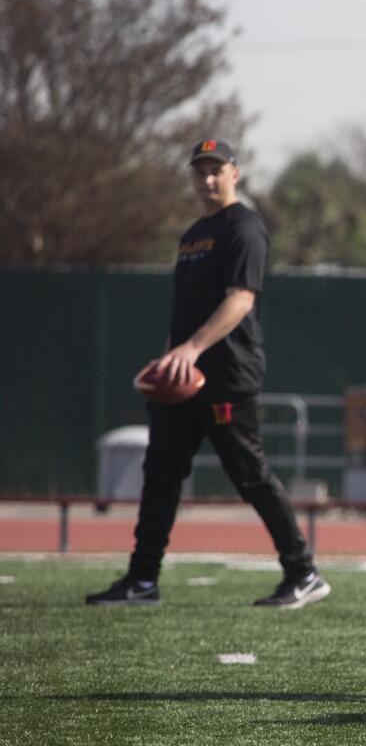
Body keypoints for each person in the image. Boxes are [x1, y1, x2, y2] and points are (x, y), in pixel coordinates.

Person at [86, 139, 330, 609]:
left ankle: (304, 572)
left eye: (217, 170)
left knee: (250, 475)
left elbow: (241, 299)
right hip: (181, 379)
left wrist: (193, 349)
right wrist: (167, 361)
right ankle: (142, 581)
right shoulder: (193, 234)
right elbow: (183, 312)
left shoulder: (245, 227)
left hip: (226, 375)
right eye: (200, 171)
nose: (208, 179)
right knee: (159, 474)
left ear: (235, 173)